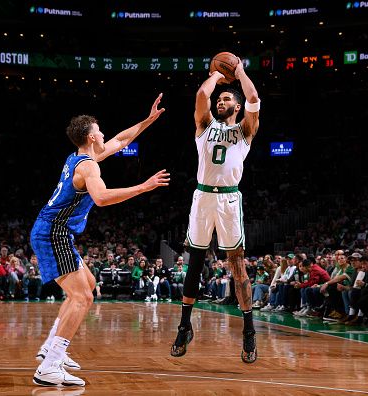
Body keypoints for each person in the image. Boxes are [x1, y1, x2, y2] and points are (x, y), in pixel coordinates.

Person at [31, 94, 169, 387]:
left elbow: (120, 140)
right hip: (52, 233)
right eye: (100, 130)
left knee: (88, 285)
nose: (104, 133)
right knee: (83, 297)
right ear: (92, 136)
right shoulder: (88, 167)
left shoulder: (81, 156)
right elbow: (102, 198)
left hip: (55, 231)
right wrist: (143, 187)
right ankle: (51, 363)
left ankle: (49, 348)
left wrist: (148, 120)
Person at [170, 57, 261, 363]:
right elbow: (200, 97)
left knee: (237, 267)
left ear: (236, 106)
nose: (220, 101)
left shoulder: (246, 130)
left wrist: (239, 73)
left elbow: (252, 97)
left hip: (229, 201)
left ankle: (249, 331)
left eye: (226, 99)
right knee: (194, 263)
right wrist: (213, 76)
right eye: (219, 99)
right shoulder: (205, 125)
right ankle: (184, 326)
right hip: (203, 197)